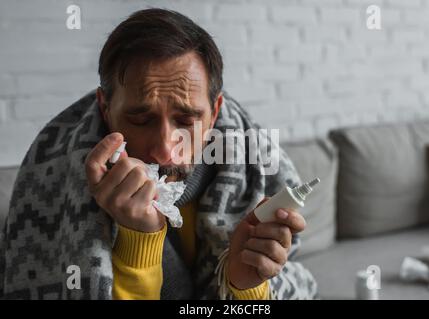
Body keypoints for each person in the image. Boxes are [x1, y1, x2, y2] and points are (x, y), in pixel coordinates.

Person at [0, 8, 317, 300]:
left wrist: (246, 287)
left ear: (214, 113)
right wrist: (138, 239)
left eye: (186, 120)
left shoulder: (252, 167)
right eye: (141, 120)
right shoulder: (57, 182)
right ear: (105, 108)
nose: (166, 148)